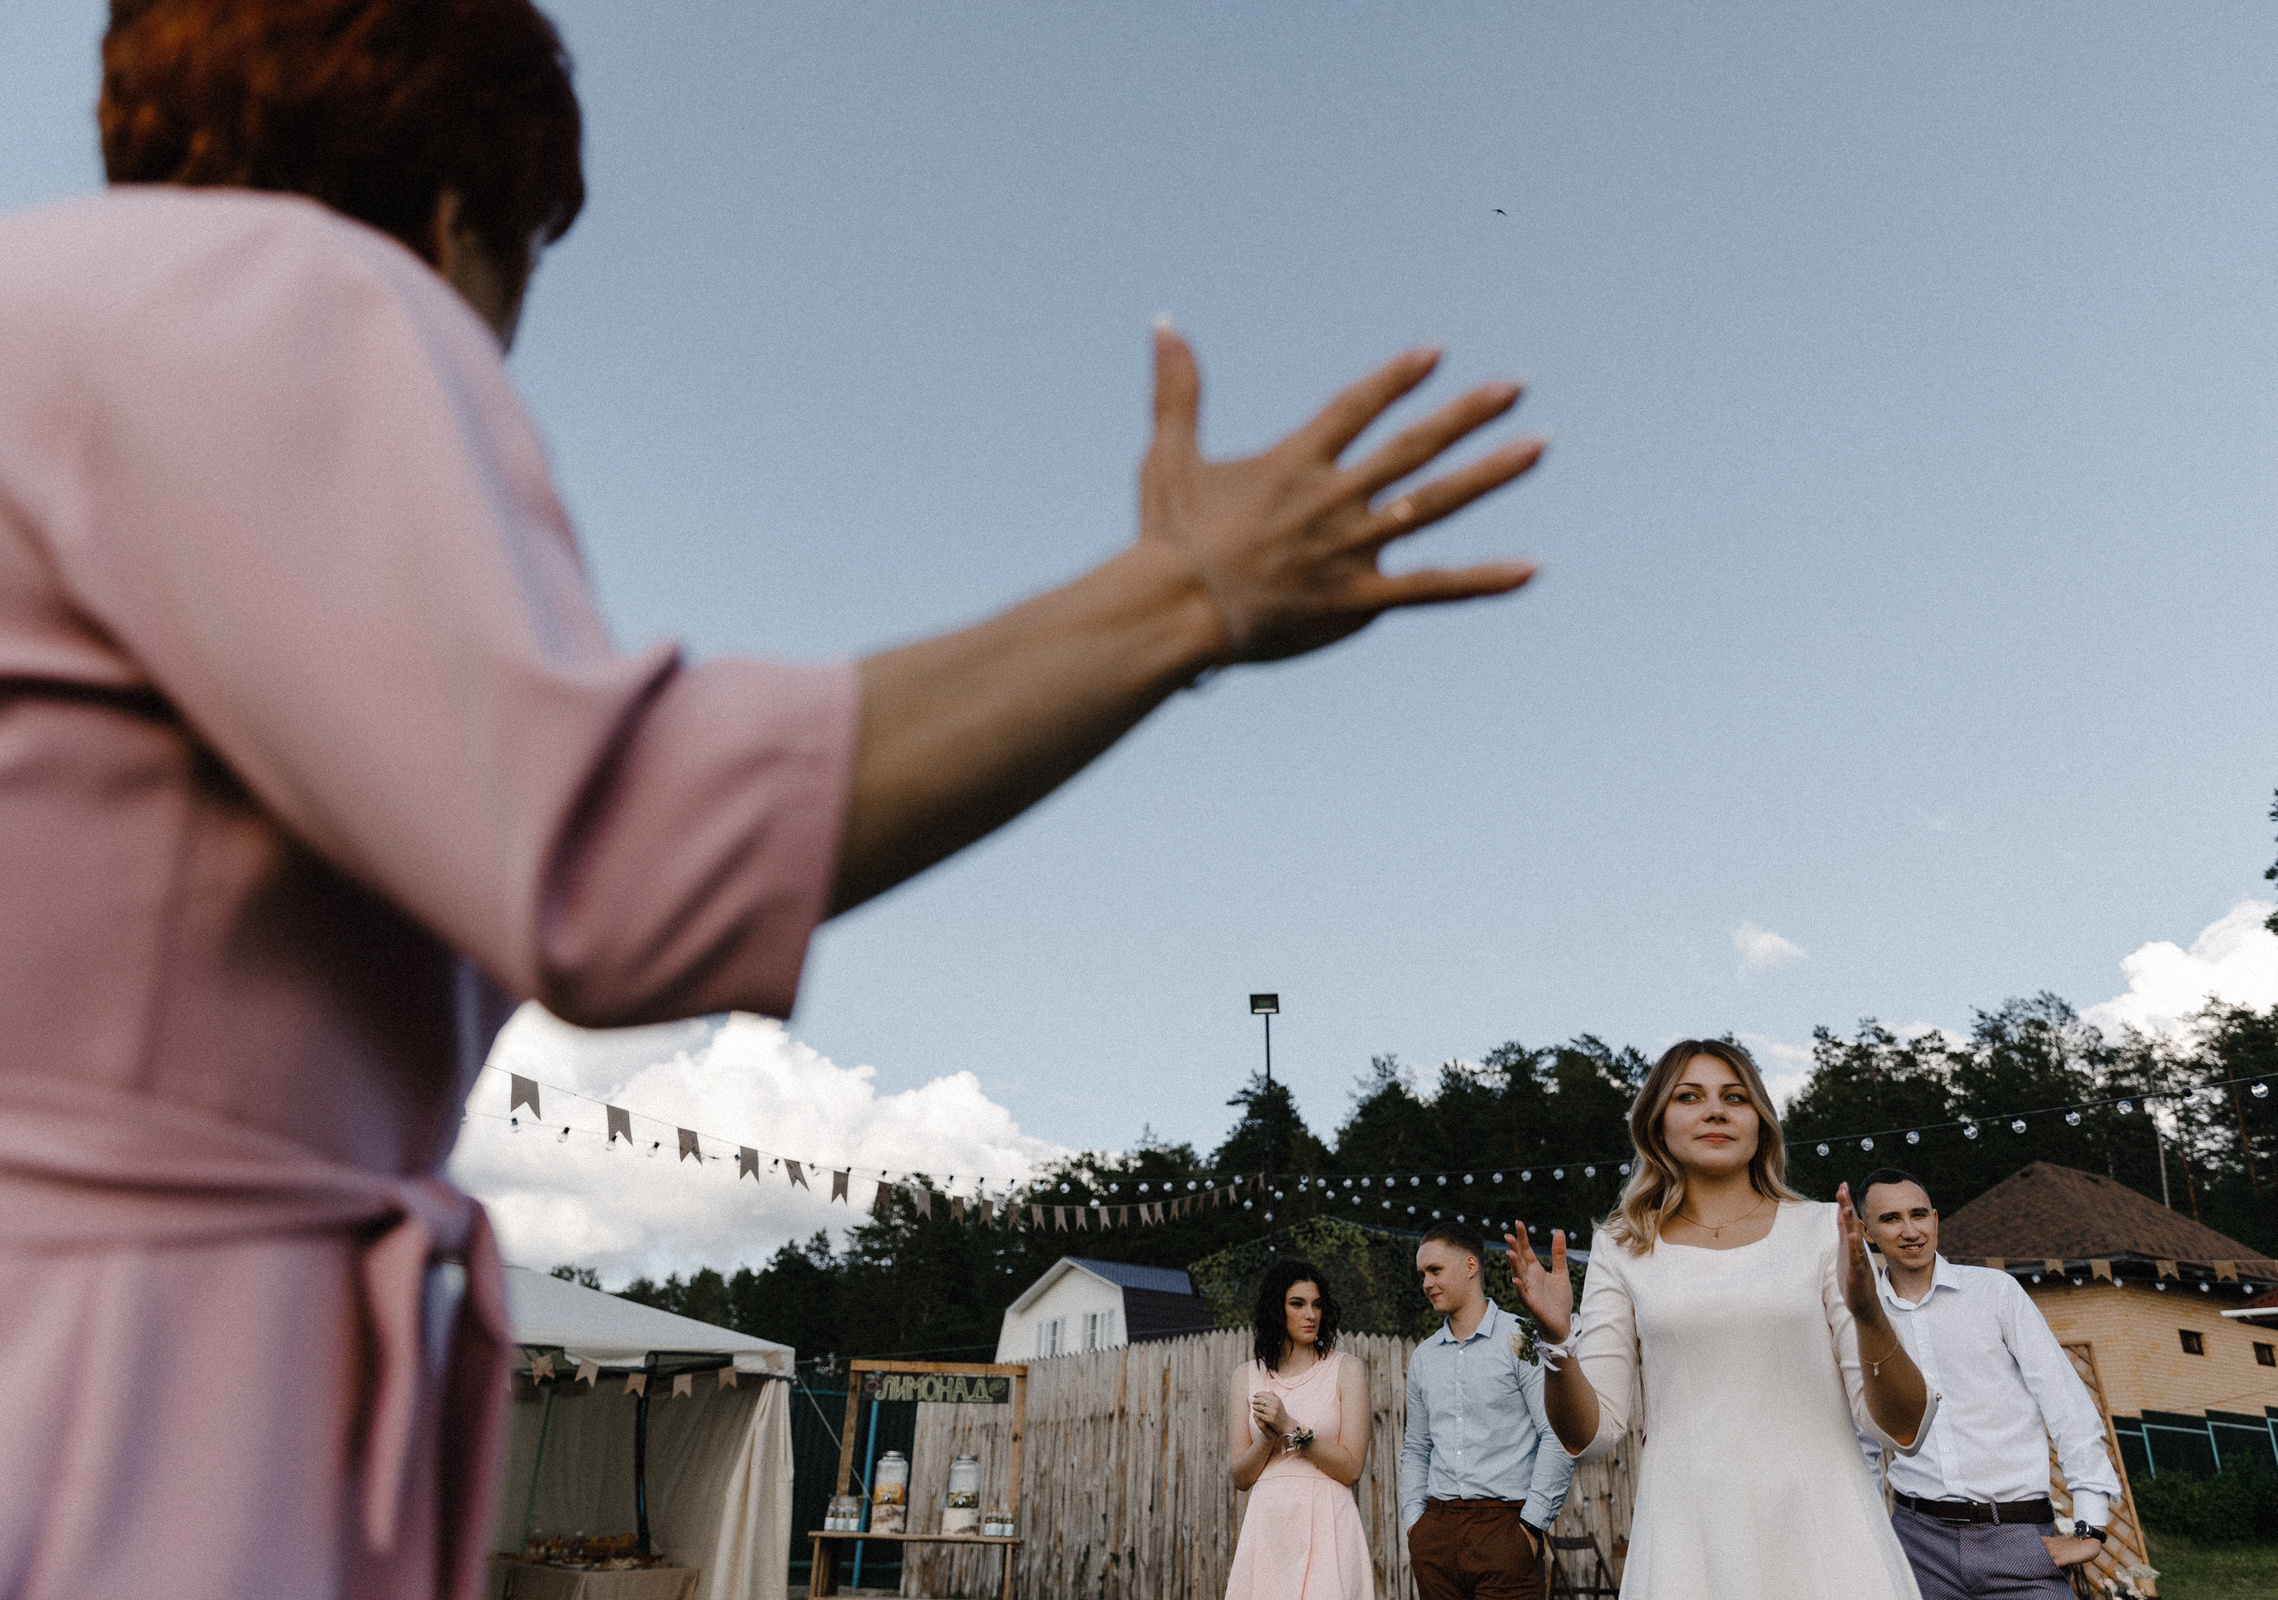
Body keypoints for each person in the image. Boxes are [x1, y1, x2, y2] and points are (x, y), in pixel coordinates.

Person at [0, 3, 1545, 1597]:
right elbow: (611, 855)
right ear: (463, 208)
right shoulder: (285, 288)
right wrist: (1179, 600)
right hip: (113, 1398)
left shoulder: (47, 321)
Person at [1503, 1039, 1937, 1600]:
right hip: (1691, 1540)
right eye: (1690, 1096)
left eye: (1735, 1097)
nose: (1716, 1110)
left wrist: (1870, 1315)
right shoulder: (1622, 1245)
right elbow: (1592, 1435)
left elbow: (1901, 1428)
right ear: (1657, 1125)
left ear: (1760, 1122)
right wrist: (1556, 1341)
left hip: (1827, 1535)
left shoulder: (1824, 1229)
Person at [1851, 1168, 2119, 1599]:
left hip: (2018, 1537)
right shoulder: (1862, 1318)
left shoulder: (1996, 1293)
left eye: (1919, 1214)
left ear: (1935, 1220)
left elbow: (2066, 1405)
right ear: (1866, 1231)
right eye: (1891, 1219)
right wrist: (1868, 1533)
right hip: (1916, 1544)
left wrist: (2090, 1525)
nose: (1910, 1230)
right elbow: (1859, 1437)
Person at [1401, 1222, 1577, 1600]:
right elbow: (1416, 1448)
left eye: (1435, 1270)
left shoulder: (1521, 1339)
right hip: (1436, 1535)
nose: (1427, 1283)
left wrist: (1530, 1527)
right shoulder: (1423, 1358)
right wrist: (1415, 1525)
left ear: (1469, 1266)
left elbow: (1557, 1434)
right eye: (1422, 1275)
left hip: (1506, 1530)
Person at [1226, 1261, 1375, 1600]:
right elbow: (1240, 1477)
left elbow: (1351, 1469)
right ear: (1276, 1308)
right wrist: (1267, 1437)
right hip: (1269, 1525)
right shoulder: (1246, 1376)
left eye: (1317, 1304)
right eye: (1298, 1303)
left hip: (1328, 1519)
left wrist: (1290, 1427)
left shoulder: (1345, 1370)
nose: (1311, 1314)